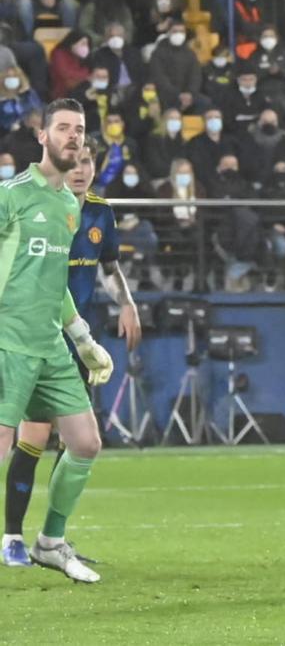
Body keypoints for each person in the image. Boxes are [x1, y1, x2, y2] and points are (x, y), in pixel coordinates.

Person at [3, 136, 140, 567]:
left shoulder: (97, 212)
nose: (81, 168)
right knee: (30, 438)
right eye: (75, 160)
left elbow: (109, 268)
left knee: (77, 440)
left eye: (88, 162)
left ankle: (53, 539)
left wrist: (124, 306)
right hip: (26, 334)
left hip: (72, 338)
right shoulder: (29, 202)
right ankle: (11, 537)